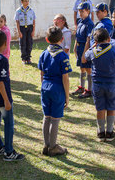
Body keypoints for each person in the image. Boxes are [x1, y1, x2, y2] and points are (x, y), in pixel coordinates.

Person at [0, 30, 24, 161]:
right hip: (2, 98)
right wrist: (6, 100)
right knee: (8, 123)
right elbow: (0, 81)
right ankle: (8, 152)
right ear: (5, 43)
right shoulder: (2, 60)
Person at [83, 28, 115, 142]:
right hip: (112, 84)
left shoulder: (93, 51)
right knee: (111, 107)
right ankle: (110, 132)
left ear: (95, 41)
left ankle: (101, 132)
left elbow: (83, 59)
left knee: (100, 108)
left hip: (97, 84)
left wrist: (90, 46)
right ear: (109, 39)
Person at [38, 26, 71, 156]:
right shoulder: (62, 55)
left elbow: (41, 74)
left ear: (46, 39)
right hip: (57, 89)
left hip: (45, 87)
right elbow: (65, 78)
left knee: (46, 117)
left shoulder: (43, 53)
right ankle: (53, 147)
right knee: (55, 119)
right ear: (62, 39)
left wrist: (44, 87)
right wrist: (67, 96)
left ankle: (46, 145)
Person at [72, 2, 94, 98]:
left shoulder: (90, 23)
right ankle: (82, 86)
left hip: (86, 48)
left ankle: (89, 90)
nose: (80, 13)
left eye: (82, 11)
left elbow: (88, 39)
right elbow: (77, 35)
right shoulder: (80, 21)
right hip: (80, 47)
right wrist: (75, 47)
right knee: (82, 68)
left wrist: (85, 53)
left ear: (88, 11)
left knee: (88, 69)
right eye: (79, 11)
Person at [15, 0, 36, 64]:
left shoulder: (31, 10)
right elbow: (17, 22)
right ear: (22, 2)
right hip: (22, 28)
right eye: (25, 1)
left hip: (30, 28)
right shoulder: (18, 11)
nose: (27, 2)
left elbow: (34, 21)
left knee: (29, 43)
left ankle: (28, 58)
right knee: (23, 43)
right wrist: (19, 32)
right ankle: (23, 58)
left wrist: (33, 31)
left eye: (28, 1)